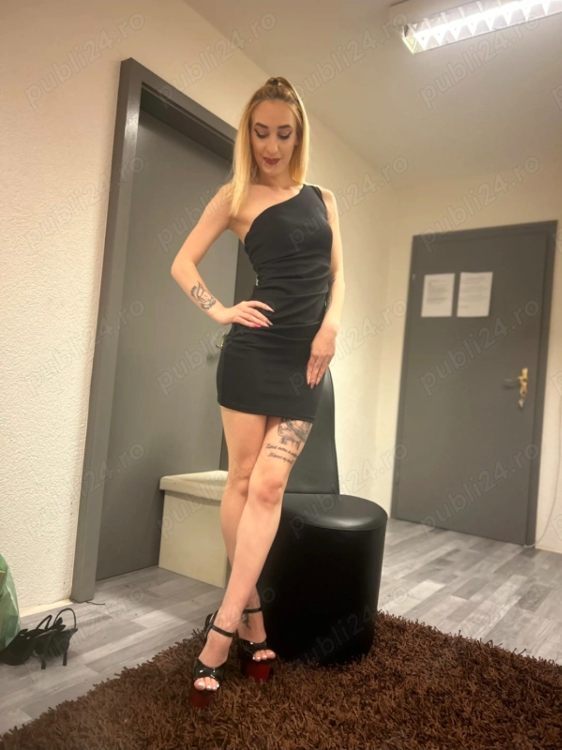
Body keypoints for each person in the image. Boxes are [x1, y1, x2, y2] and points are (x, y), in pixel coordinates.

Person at [170, 75, 345, 707]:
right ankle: (253, 621)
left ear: (299, 136)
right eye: (260, 132)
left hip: (306, 363)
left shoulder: (324, 199)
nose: (271, 146)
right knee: (243, 480)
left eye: (283, 133)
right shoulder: (234, 196)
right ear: (249, 134)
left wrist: (330, 328)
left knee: (270, 485)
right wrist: (220, 309)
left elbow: (337, 277)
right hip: (251, 355)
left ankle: (223, 627)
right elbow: (181, 262)